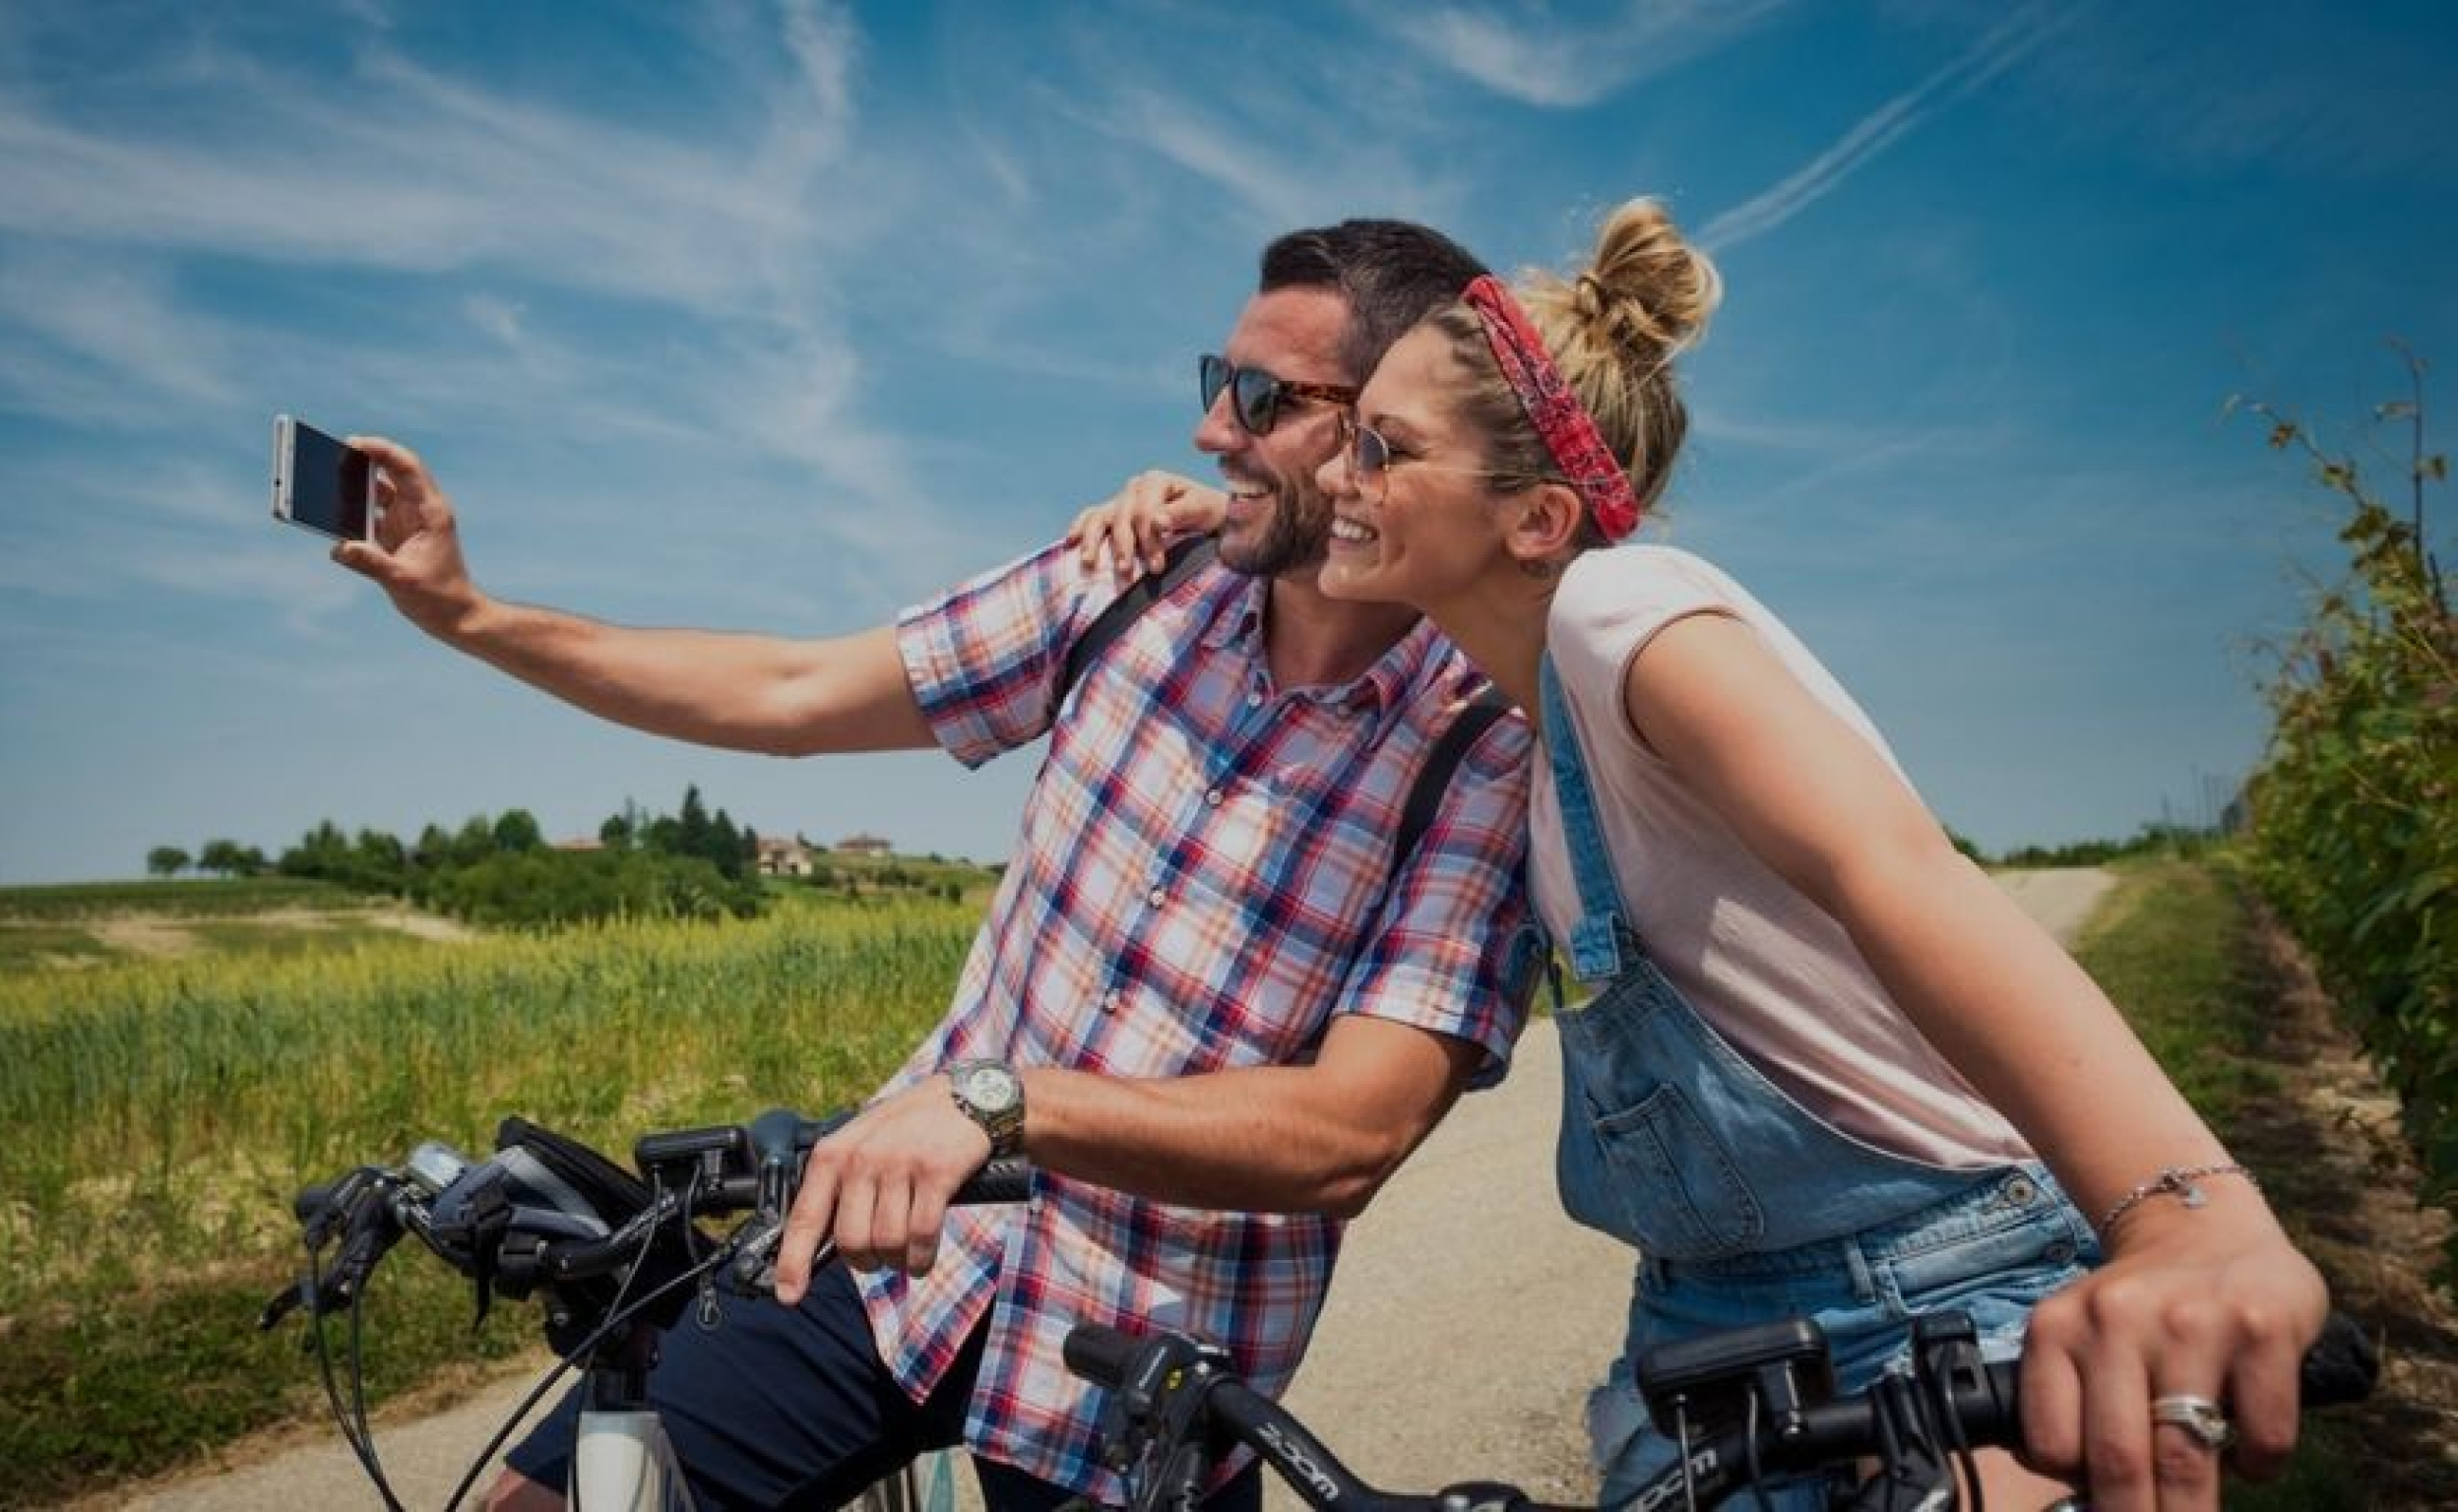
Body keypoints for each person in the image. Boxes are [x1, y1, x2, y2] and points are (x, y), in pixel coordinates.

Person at [1072, 199, 2330, 1512]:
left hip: (1940, 1288)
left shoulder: (1623, 609)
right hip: (1706, 1328)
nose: (1341, 473)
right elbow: (1314, 547)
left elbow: (1893, 867)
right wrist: (1201, 515)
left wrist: (2185, 1214)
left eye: (1384, 448)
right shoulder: (1530, 719)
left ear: (1538, 520)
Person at [327, 219, 1543, 1512]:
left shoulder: (1481, 745)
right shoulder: (1131, 583)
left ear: (1384, 433)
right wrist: (473, 616)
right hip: (905, 1255)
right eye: (1215, 382)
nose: (1209, 433)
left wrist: (1005, 1105)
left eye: (1259, 397)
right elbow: (791, 692)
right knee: (561, 1498)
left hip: (1145, 1369)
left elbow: (1350, 1133)